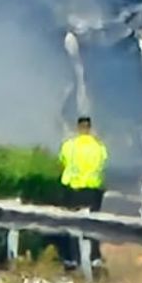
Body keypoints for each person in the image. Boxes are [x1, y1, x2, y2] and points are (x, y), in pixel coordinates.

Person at [57, 116, 109, 270]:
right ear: (90, 128)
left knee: (73, 226)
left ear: (78, 128)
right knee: (93, 226)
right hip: (93, 191)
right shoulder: (99, 147)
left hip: (73, 190)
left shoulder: (69, 146)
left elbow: (63, 161)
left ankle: (74, 259)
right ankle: (94, 257)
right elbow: (102, 163)